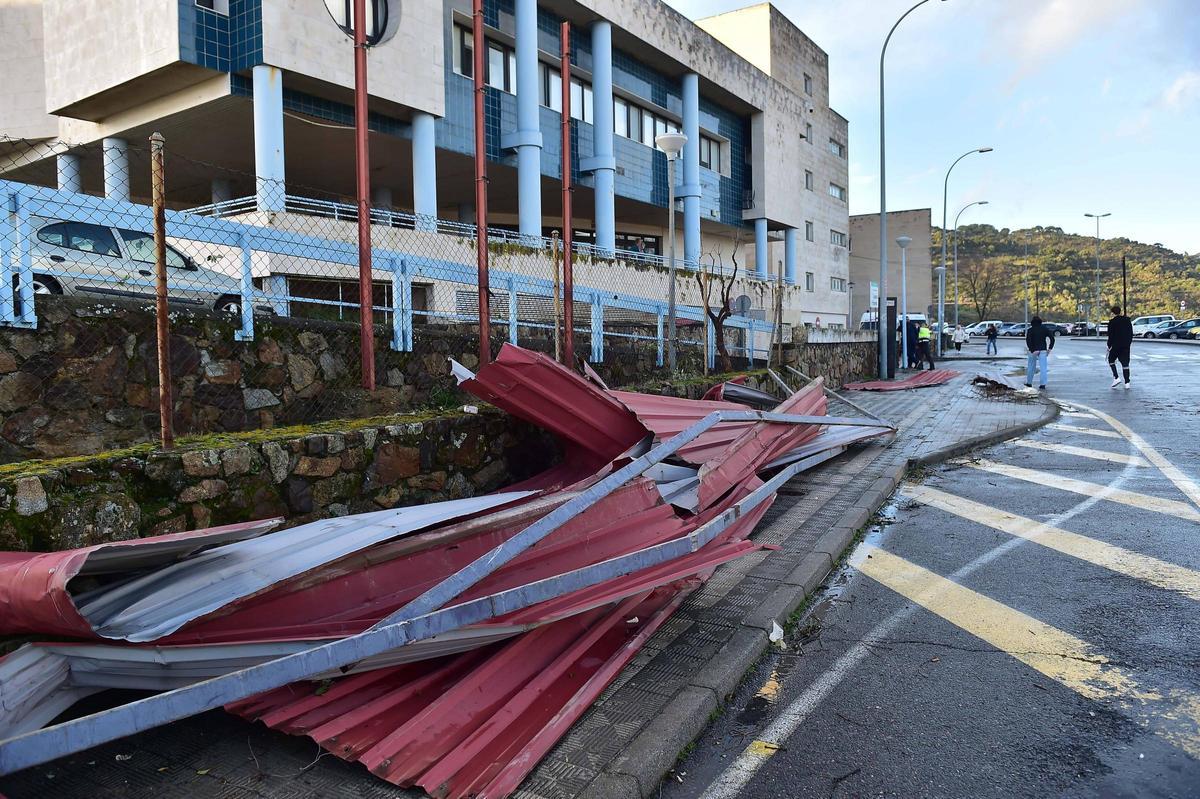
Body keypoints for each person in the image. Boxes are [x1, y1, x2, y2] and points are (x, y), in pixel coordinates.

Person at [1106, 304, 1133, 389]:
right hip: (1125, 345)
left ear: (1113, 313)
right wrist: (1128, 343)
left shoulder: (1112, 322)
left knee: (1111, 360)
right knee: (1125, 364)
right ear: (1120, 312)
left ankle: (1116, 377)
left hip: (1115, 345)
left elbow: (1110, 336)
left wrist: (1109, 345)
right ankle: (1127, 382)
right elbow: (1130, 333)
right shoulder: (1127, 321)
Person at [1024, 316, 1055, 389]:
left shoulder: (1030, 330)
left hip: (1033, 351)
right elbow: (1052, 339)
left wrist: (1033, 350)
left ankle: (1029, 383)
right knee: (1043, 368)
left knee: (1031, 367)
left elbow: (1028, 341)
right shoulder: (1044, 329)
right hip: (1043, 350)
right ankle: (1043, 384)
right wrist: (1049, 349)